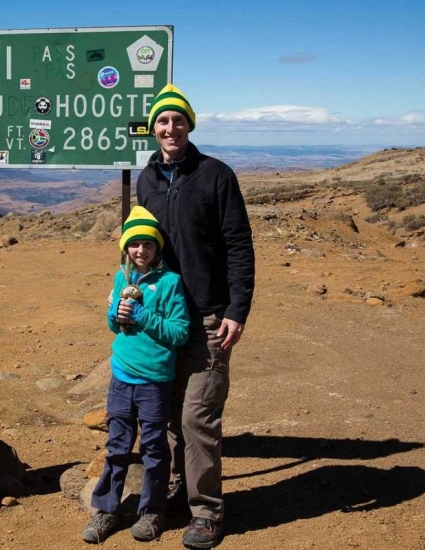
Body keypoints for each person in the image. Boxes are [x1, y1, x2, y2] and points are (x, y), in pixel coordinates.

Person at [136, 84, 255, 549]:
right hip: (163, 321)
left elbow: (238, 246)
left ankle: (206, 512)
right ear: (154, 129)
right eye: (162, 122)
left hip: (208, 318)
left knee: (197, 418)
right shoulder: (146, 180)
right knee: (166, 415)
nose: (170, 128)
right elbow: (141, 249)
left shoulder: (216, 175)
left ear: (189, 125)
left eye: (177, 120)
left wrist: (237, 309)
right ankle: (180, 493)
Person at [81, 206, 190, 544]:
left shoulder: (171, 283)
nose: (141, 250)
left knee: (154, 448)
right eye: (134, 244)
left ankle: (153, 511)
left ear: (157, 248)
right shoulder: (121, 277)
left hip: (155, 380)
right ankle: (107, 510)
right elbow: (113, 325)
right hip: (121, 376)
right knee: (116, 445)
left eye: (148, 244)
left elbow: (179, 332)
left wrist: (143, 316)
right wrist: (115, 313)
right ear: (125, 247)